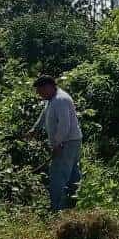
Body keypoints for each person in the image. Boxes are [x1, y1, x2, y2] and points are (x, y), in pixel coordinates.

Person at [29, 75, 84, 212]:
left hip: (66, 142)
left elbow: (64, 125)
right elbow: (44, 114)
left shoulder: (60, 100)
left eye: (41, 92)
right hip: (71, 141)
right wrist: (35, 129)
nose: (40, 95)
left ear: (49, 87)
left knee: (57, 174)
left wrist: (58, 145)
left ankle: (56, 209)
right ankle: (75, 203)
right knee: (72, 174)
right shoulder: (52, 100)